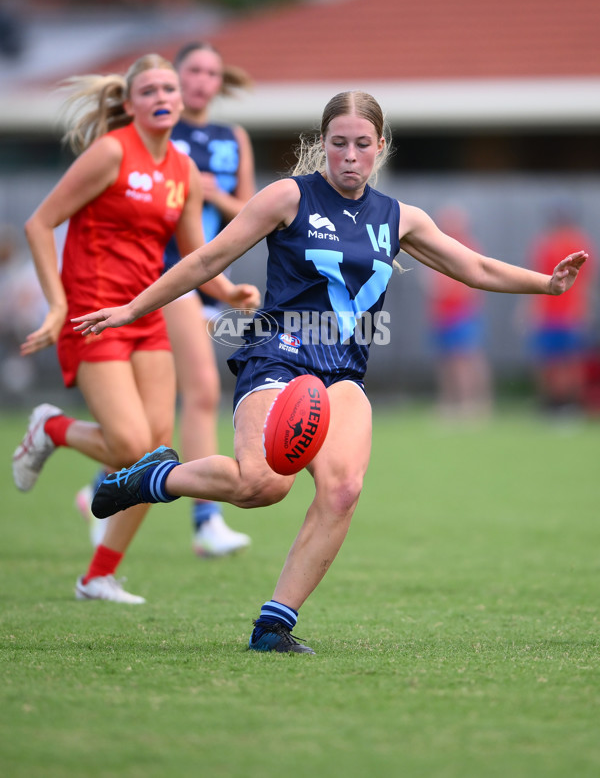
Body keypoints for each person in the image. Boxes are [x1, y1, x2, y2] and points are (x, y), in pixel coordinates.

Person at [72, 90, 588, 651]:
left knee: (342, 490)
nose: (349, 155)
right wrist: (130, 309)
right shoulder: (287, 197)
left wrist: (546, 284)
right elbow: (205, 259)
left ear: (380, 147)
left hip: (343, 372)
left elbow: (475, 265)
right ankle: (154, 477)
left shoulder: (400, 218)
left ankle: (273, 627)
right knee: (261, 485)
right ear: (323, 145)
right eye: (338, 143)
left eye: (362, 144)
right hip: (278, 356)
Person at [12, 53, 260, 604]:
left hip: (145, 315)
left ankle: (98, 575)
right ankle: (50, 429)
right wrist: (56, 306)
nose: (162, 96)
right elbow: (40, 222)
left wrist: (228, 292)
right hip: (92, 314)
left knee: (155, 459)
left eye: (167, 87)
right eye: (148, 90)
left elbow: (196, 254)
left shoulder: (184, 171)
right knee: (128, 445)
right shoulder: (109, 153)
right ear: (129, 104)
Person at [77, 41, 257, 557]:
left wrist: (208, 192)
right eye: (193, 71)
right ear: (175, 80)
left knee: (162, 414)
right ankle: (206, 522)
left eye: (211, 73)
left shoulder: (232, 138)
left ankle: (98, 487)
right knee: (201, 390)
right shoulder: (158, 129)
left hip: (209, 275)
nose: (201, 81)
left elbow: (248, 209)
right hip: (163, 276)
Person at [525, 201, 596, 415]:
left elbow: (586, 282)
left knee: (569, 361)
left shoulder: (579, 244)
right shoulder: (545, 244)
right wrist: (531, 309)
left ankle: (571, 404)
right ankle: (552, 404)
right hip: (548, 312)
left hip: (568, 313)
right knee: (549, 361)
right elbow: (535, 277)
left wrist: (583, 309)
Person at [425, 205, 493, 419]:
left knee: (466, 359)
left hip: (462, 314)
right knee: (446, 362)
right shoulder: (437, 248)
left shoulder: (468, 247)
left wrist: (445, 287)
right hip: (442, 315)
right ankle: (451, 404)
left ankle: (474, 405)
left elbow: (472, 282)